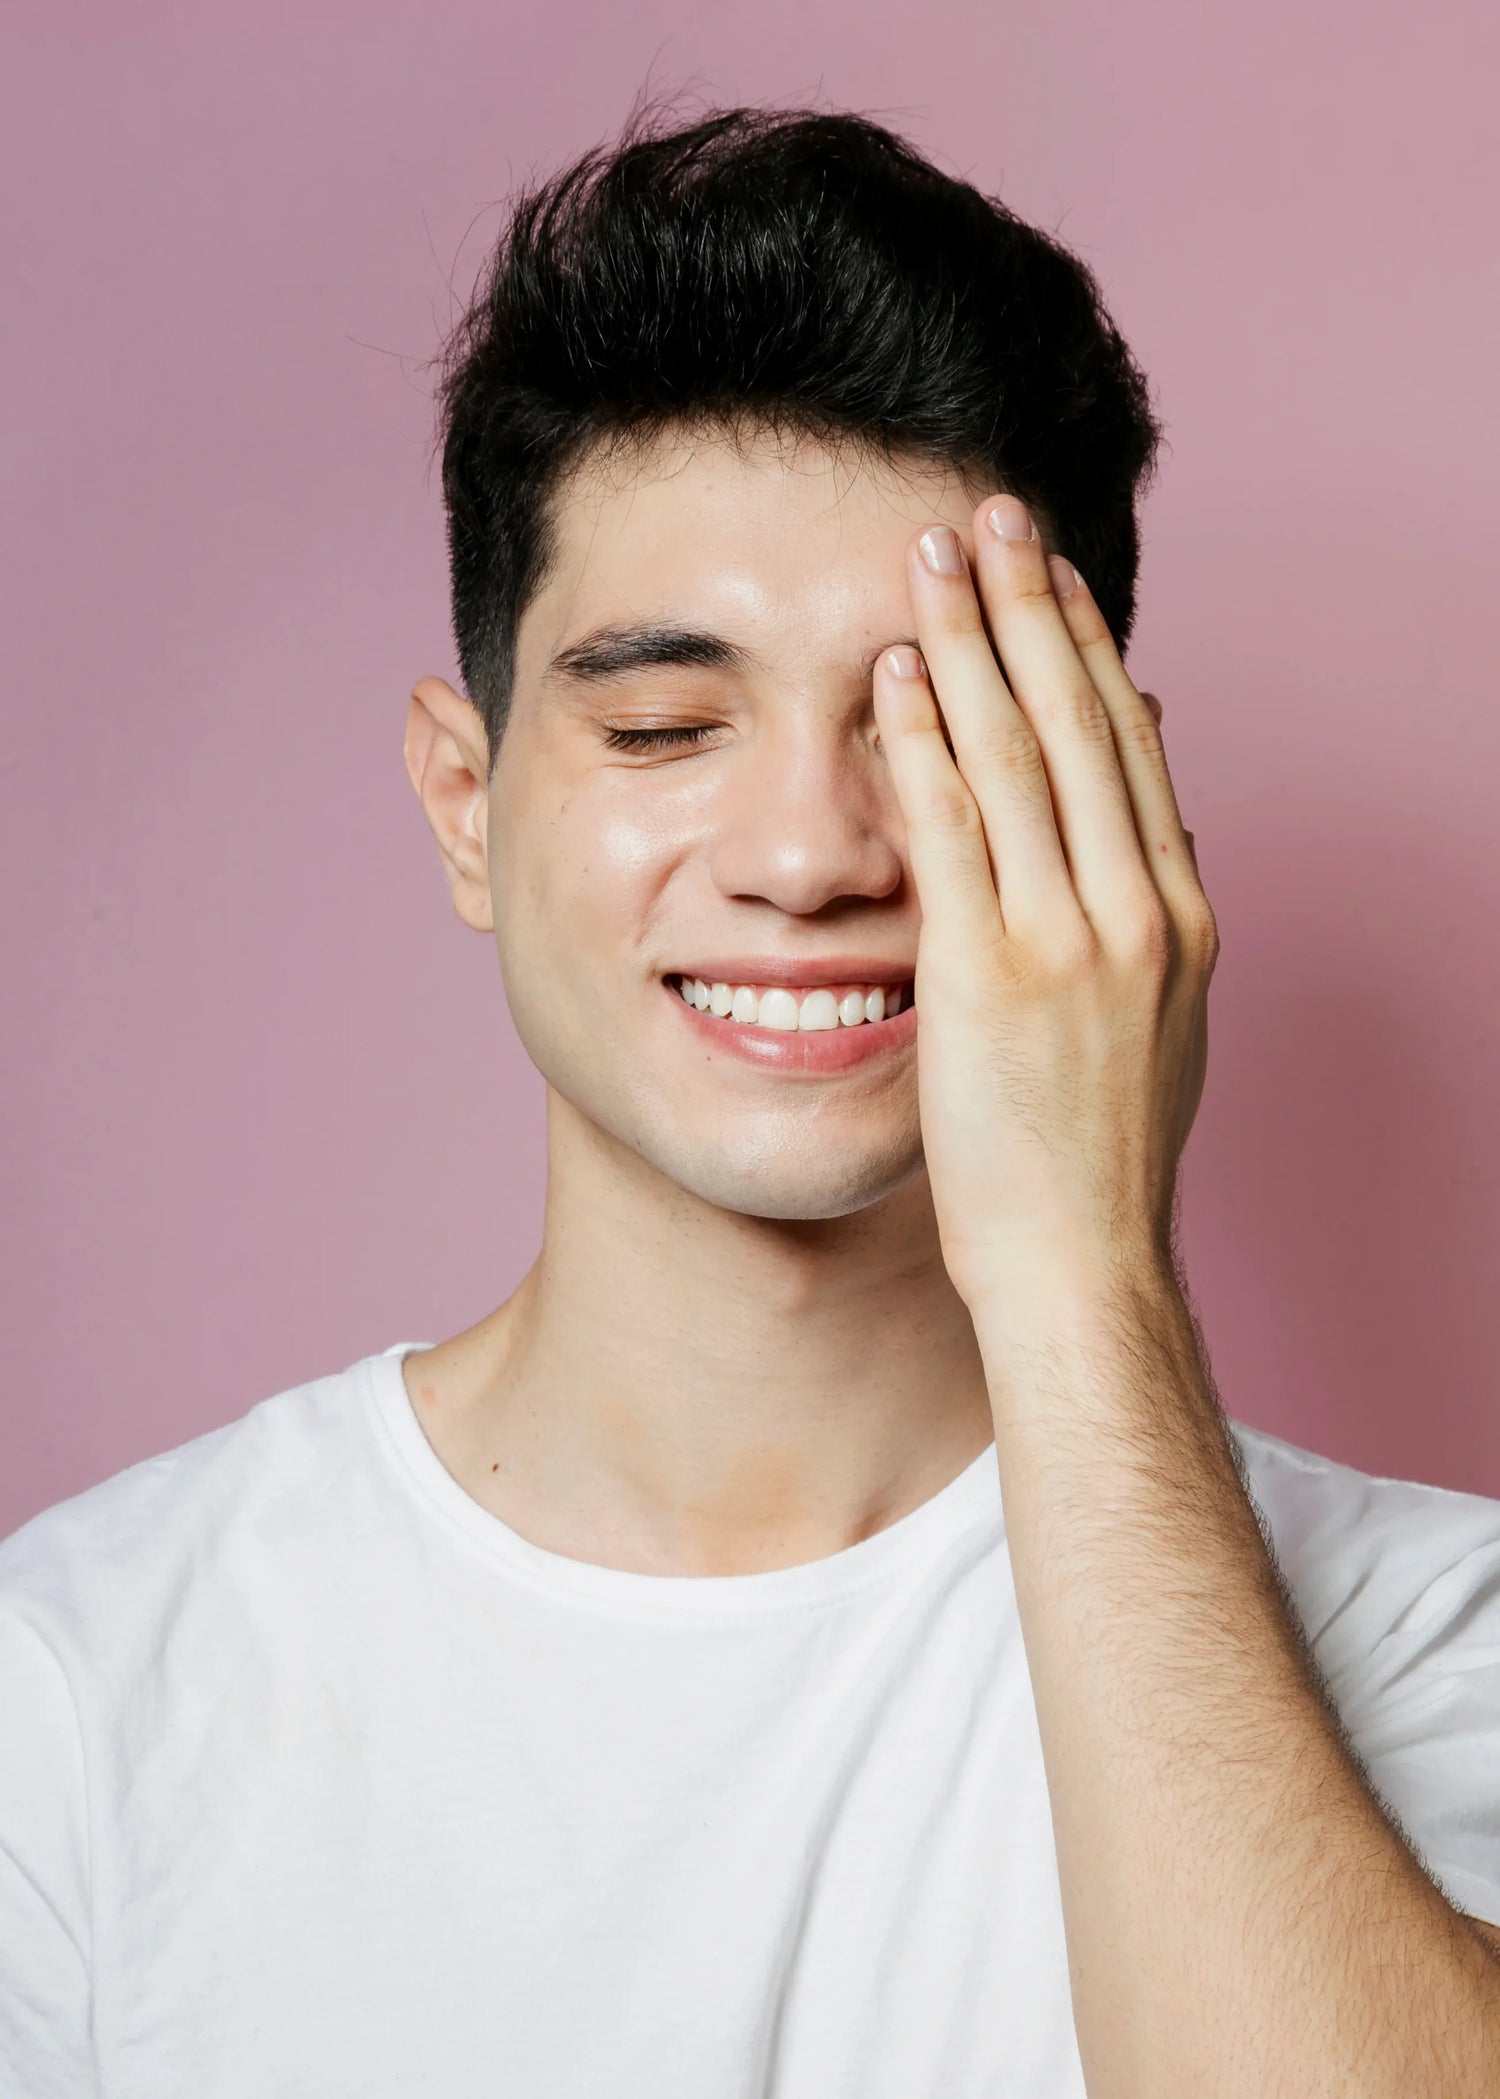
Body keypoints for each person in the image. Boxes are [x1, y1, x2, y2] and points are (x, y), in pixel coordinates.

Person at [3, 99, 1499, 2099]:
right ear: (468, 804)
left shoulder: (1431, 1639)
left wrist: (1076, 1270)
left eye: (929, 726)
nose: (806, 852)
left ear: (1109, 805)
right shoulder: (80, 1690)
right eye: (665, 725)